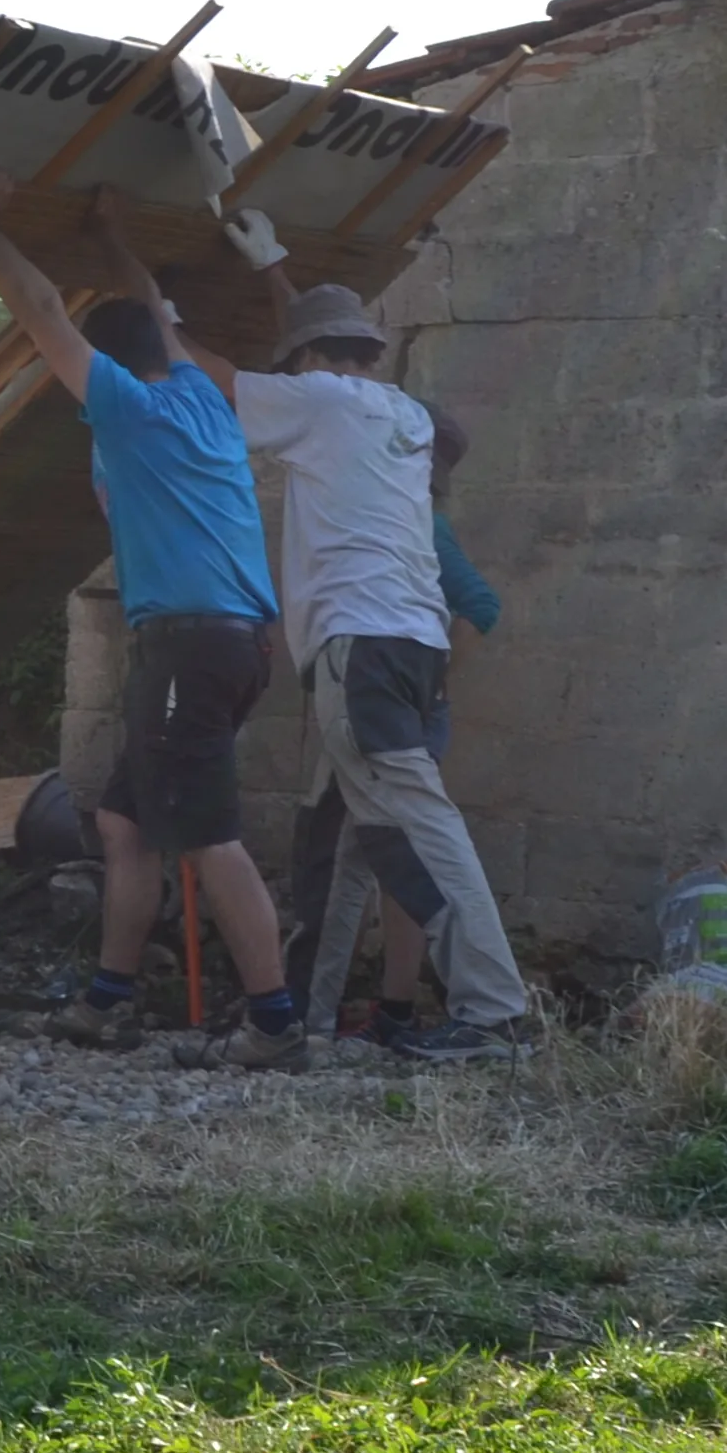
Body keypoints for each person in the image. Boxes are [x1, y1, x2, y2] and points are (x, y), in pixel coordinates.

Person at [0, 171, 308, 1069]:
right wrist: (114, 236)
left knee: (205, 833)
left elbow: (39, 306)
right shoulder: (201, 397)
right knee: (125, 824)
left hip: (189, 646)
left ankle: (274, 1021)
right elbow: (150, 301)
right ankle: (110, 998)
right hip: (231, 645)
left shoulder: (131, 410)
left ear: (108, 367)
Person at [231, 228, 534, 1061]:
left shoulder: (323, 403)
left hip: (359, 649)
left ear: (309, 363)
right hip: (406, 648)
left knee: (420, 834)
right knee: (384, 842)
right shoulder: (399, 411)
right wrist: (271, 270)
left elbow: (218, 381)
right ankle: (335, 1017)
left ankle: (493, 1011)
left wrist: (159, 315)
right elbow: (307, 360)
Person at [292, 414, 495, 1036]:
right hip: (390, 702)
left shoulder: (418, 525)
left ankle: (319, 1012)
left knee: (350, 855)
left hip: (385, 704)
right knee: (379, 855)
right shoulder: (412, 523)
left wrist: (430, 688)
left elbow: (481, 605)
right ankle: (382, 1010)